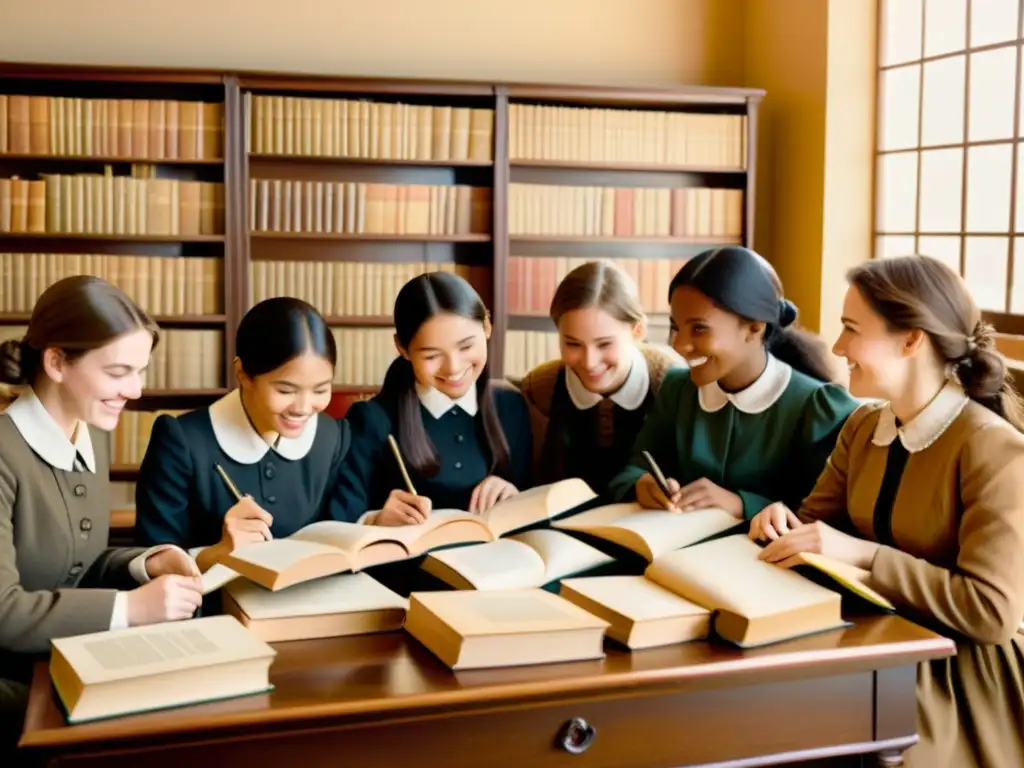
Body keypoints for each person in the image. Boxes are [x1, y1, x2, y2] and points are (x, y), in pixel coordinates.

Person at [750, 254, 1024, 768]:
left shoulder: (994, 450)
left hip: (958, 678)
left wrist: (865, 557)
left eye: (852, 329)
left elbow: (990, 612)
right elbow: (817, 527)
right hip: (871, 640)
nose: (836, 347)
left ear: (911, 339)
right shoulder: (863, 427)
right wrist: (781, 525)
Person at [0, 276, 202, 751]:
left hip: (68, 663)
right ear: (56, 362)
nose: (135, 390)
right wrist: (131, 608)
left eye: (141, 370)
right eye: (118, 372)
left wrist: (145, 563)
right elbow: (4, 610)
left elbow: (75, 562)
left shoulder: (92, 433)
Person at [607, 245, 859, 520]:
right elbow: (632, 470)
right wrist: (643, 484)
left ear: (754, 328)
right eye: (676, 327)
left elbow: (824, 520)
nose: (679, 345)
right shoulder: (677, 389)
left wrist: (741, 504)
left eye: (699, 328)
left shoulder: (818, 408)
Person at [134, 297, 351, 574]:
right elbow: (150, 560)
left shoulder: (332, 437)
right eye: (285, 391)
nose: (304, 408)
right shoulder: (182, 441)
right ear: (243, 373)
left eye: (320, 390)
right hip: (212, 611)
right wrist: (217, 553)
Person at [335, 271, 532, 525]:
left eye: (466, 347)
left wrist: (514, 497)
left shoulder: (512, 408)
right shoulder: (372, 419)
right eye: (431, 356)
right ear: (402, 349)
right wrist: (375, 520)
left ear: (487, 326)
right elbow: (342, 519)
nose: (453, 367)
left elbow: (534, 501)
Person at [518, 260, 684, 496]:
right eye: (573, 344)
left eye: (604, 344)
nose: (589, 362)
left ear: (638, 330)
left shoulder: (673, 383)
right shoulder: (539, 389)